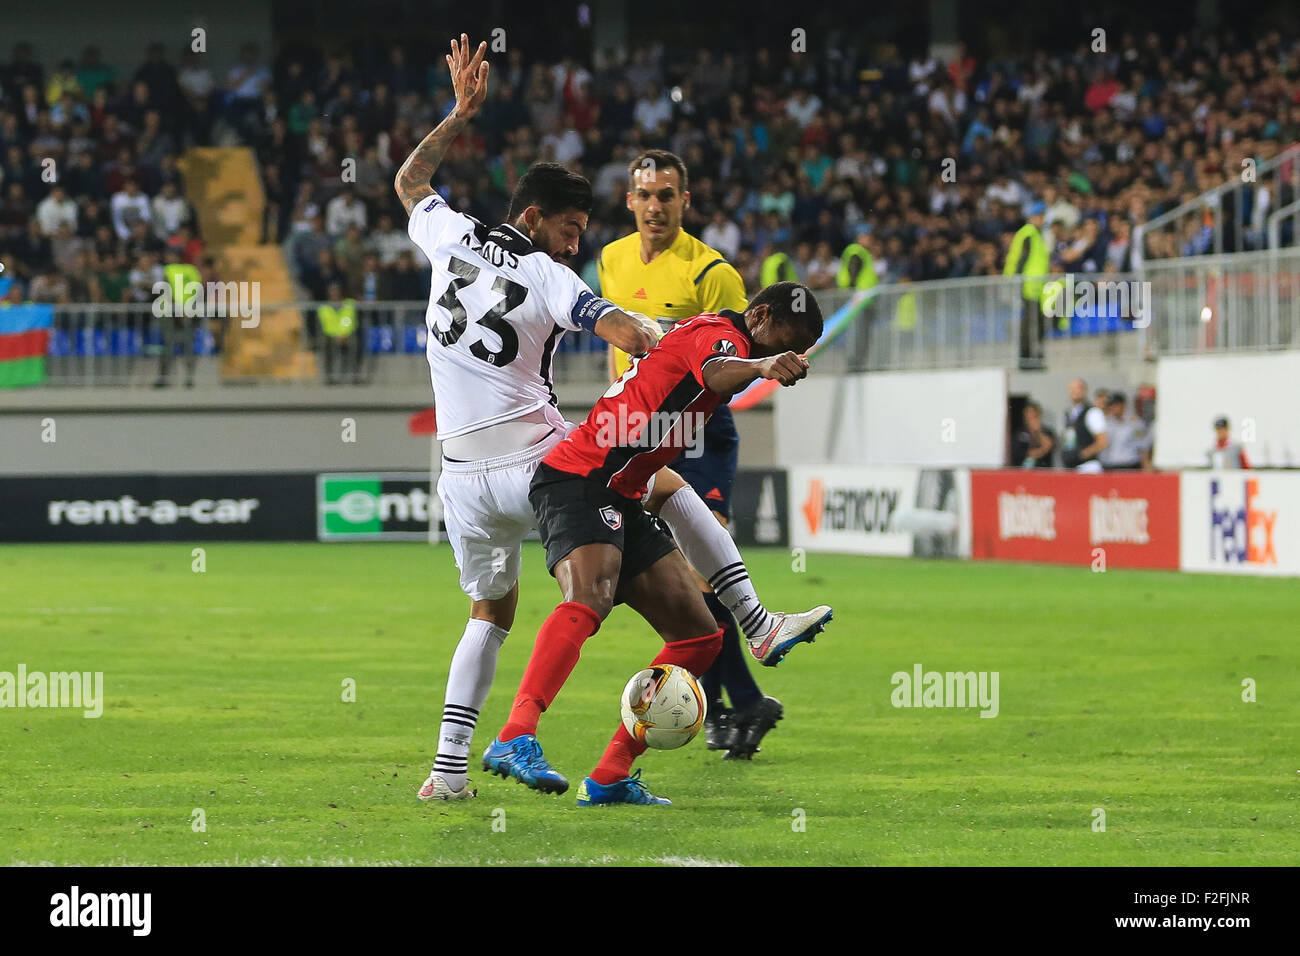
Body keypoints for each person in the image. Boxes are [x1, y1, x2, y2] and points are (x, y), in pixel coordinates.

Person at [398, 37, 831, 802]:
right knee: (642, 496)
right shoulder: (548, 274)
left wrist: (460, 115)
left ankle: (449, 771)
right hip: (537, 460)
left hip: (459, 479)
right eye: (569, 228)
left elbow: (409, 178)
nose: (577, 242)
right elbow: (622, 330)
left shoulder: (446, 234)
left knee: (490, 616)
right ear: (535, 219)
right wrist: (665, 346)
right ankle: (750, 623)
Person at [485, 282, 826, 806]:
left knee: (699, 637)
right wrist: (760, 367)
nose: (785, 356)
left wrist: (760, 364)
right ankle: (514, 735)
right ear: (758, 317)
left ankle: (609, 775)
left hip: (621, 486)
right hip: (579, 475)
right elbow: (714, 372)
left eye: (798, 350)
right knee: (588, 599)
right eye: (786, 340)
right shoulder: (720, 337)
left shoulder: (720, 338)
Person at [599, 148, 798, 759]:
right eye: (645, 195)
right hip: (636, 434)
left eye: (667, 195)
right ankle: (739, 701)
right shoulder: (610, 259)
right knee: (672, 582)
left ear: (686, 201)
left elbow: (735, 363)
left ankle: (730, 700)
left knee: (694, 574)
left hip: (697, 436)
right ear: (629, 200)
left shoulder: (711, 273)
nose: (655, 205)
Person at [1004, 201, 1051, 369]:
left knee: (1035, 323)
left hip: (1036, 288)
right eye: (1039, 216)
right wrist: (1017, 282)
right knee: (1030, 323)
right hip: (1029, 287)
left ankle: (1033, 356)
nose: (1042, 219)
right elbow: (1021, 260)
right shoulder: (1029, 234)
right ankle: (1027, 358)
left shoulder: (1036, 234)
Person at [1060, 377, 1107, 472]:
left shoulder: (1093, 412)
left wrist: (1082, 454)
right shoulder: (1068, 414)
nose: (1075, 391)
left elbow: (1102, 442)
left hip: (1088, 466)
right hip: (1071, 467)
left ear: (1085, 391)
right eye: (1072, 389)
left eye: (1079, 388)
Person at [1098, 392, 1147, 470]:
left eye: (1114, 405)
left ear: (1122, 405)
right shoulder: (1106, 422)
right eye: (1110, 405)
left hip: (1128, 465)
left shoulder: (1135, 423)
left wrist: (1146, 466)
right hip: (1109, 465)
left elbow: (1142, 446)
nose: (1112, 408)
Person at [1010, 401, 1056, 467]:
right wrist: (1040, 451)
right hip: (1024, 469)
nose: (1031, 419)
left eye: (1034, 416)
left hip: (1044, 469)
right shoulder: (1019, 433)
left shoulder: (1047, 431)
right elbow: (1024, 454)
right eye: (1029, 415)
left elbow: (1049, 446)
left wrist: (1038, 431)